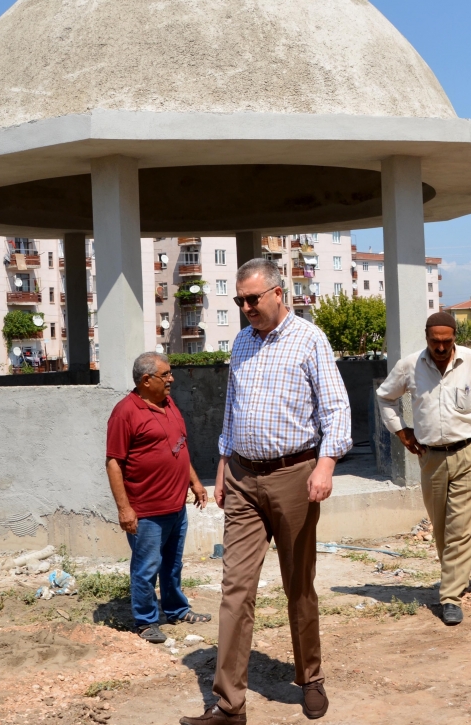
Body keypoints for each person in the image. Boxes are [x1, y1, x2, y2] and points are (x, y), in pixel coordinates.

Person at [180, 259, 351, 725]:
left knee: (299, 585)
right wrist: (221, 462)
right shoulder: (240, 342)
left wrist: (326, 465)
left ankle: (310, 677)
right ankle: (230, 703)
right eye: (239, 300)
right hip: (240, 476)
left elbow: (336, 408)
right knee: (235, 589)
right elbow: (232, 408)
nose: (246, 307)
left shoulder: (310, 340)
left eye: (253, 298)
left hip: (295, 476)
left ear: (280, 293)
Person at [376, 312, 471, 626]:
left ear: (455, 338)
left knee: (463, 528)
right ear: (426, 338)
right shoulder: (410, 366)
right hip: (431, 456)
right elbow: (385, 397)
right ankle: (453, 577)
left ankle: (450, 596)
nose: (440, 347)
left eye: (446, 341)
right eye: (435, 341)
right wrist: (400, 431)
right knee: (441, 526)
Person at [106, 352, 212, 644]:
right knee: (146, 568)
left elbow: (179, 447)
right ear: (146, 380)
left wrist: (195, 482)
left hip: (176, 506)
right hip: (147, 511)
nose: (171, 379)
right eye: (165, 374)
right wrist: (124, 509)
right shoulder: (125, 412)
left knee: (172, 565)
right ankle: (146, 621)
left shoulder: (169, 404)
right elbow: (114, 463)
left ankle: (177, 610)